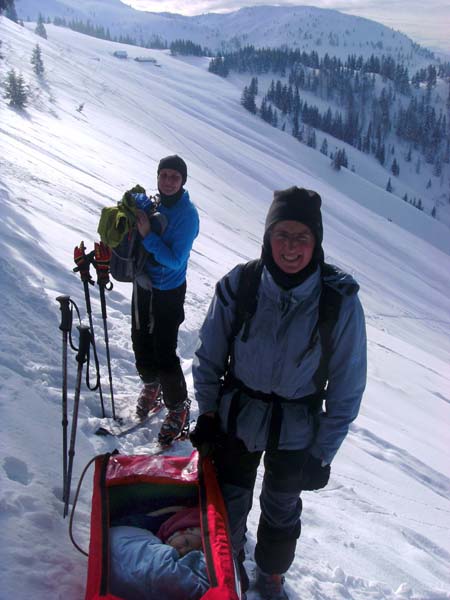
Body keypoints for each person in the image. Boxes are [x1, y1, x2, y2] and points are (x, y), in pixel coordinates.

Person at [190, 186, 367, 600]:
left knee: (282, 508)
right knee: (227, 501)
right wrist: (208, 414)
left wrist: (322, 453)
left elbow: (347, 385)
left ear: (316, 242)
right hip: (238, 414)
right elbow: (210, 354)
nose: (291, 247)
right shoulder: (241, 284)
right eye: (281, 234)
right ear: (268, 238)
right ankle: (228, 565)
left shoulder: (338, 301)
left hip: (297, 426)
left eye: (302, 237)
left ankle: (271, 572)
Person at [132, 155, 199, 445]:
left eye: (175, 176)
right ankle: (151, 385)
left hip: (168, 290)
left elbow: (174, 260)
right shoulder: (155, 204)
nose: (169, 181)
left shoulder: (188, 215)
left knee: (163, 348)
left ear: (183, 181)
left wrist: (147, 235)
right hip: (144, 283)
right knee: (139, 338)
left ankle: (178, 406)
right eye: (164, 175)